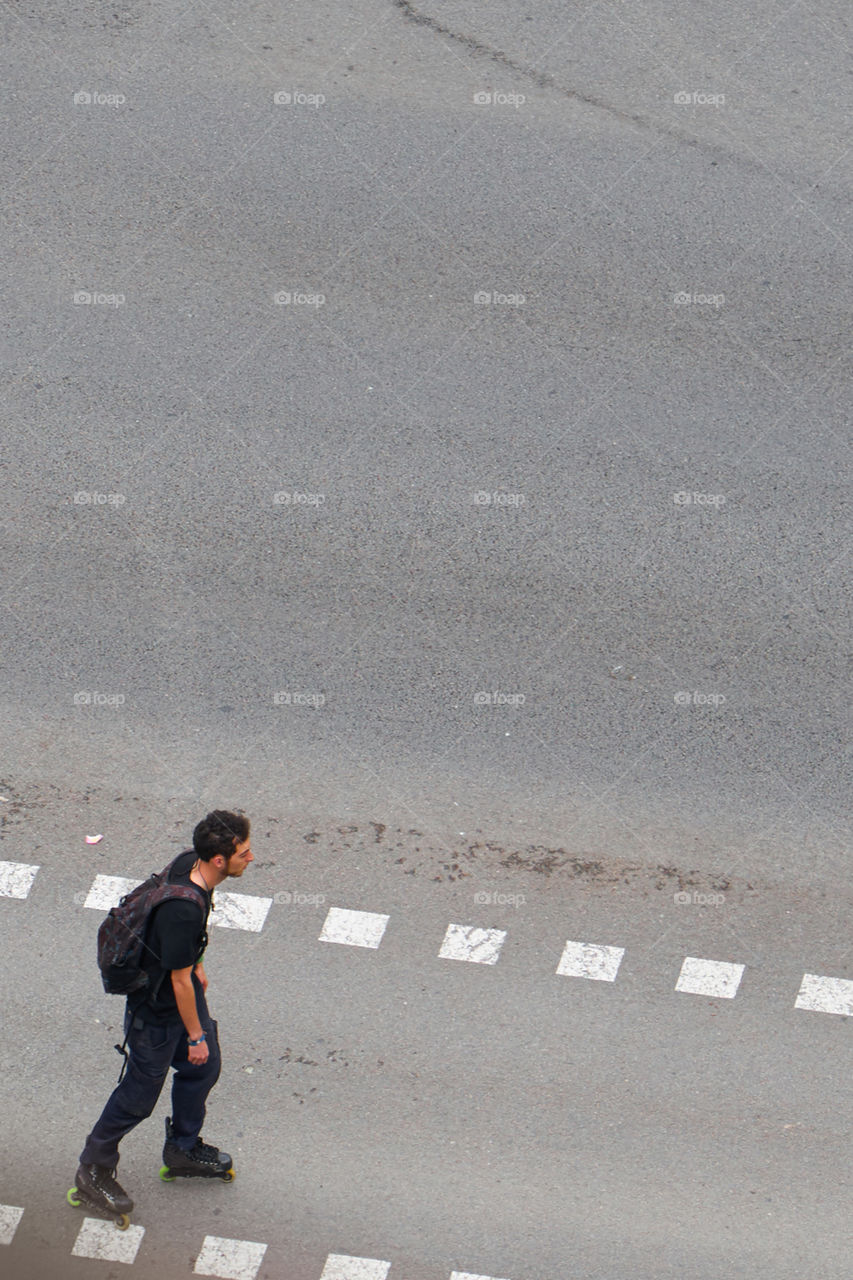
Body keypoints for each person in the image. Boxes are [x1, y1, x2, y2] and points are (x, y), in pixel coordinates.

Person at [72, 810, 253, 1219]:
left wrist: (198, 959)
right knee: (138, 1097)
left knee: (203, 1070)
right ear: (219, 859)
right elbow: (179, 983)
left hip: (178, 998)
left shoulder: (195, 865)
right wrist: (195, 1037)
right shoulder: (183, 910)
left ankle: (183, 1149)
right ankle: (93, 1168)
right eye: (244, 852)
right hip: (155, 1011)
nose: (251, 857)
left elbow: (190, 949)